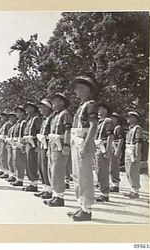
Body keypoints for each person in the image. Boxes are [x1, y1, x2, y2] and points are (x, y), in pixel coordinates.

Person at [68, 75, 98, 221]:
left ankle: (87, 209)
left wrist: (86, 145)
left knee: (85, 176)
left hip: (83, 142)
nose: (77, 91)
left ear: (88, 90)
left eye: (81, 88)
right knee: (77, 175)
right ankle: (81, 204)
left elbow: (93, 126)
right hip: (76, 141)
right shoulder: (81, 106)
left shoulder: (91, 104)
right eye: (76, 88)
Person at [44, 93, 72, 207]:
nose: (53, 104)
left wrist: (66, 145)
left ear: (62, 102)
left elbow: (67, 130)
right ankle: (55, 195)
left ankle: (60, 196)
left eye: (55, 101)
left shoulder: (65, 114)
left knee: (58, 171)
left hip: (60, 144)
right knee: (52, 170)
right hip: (53, 144)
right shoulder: (55, 115)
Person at [94, 103, 114, 202]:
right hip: (97, 146)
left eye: (100, 109)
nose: (98, 111)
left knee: (103, 171)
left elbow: (110, 136)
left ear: (105, 110)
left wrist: (108, 150)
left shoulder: (108, 121)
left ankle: (104, 194)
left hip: (103, 147)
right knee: (98, 170)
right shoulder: (99, 122)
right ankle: (102, 191)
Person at [35, 98, 53, 199]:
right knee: (41, 167)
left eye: (42, 107)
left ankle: (49, 189)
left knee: (46, 167)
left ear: (47, 107)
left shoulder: (51, 118)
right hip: (42, 144)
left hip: (47, 145)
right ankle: (45, 188)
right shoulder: (45, 118)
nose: (40, 109)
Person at [22, 102, 41, 192]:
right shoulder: (29, 119)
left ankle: (34, 184)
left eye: (28, 108)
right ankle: (31, 182)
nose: (27, 110)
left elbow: (38, 131)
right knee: (28, 163)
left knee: (32, 163)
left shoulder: (36, 119)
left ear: (33, 109)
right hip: (28, 143)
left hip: (33, 143)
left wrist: (37, 144)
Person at [124, 111, 142, 199]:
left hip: (133, 150)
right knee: (128, 171)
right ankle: (132, 189)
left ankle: (135, 191)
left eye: (130, 117)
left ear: (135, 118)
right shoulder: (130, 128)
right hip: (128, 150)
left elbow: (138, 142)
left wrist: (137, 154)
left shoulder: (137, 128)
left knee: (133, 171)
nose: (128, 119)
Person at [11, 106, 27, 187]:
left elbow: (23, 134)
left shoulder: (23, 122)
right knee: (16, 161)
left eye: (18, 112)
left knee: (19, 162)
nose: (16, 114)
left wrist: (22, 144)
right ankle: (18, 177)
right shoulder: (18, 122)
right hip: (15, 143)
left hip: (20, 143)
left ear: (22, 113)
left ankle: (20, 179)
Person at [109, 112, 125, 192]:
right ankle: (112, 183)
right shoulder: (112, 127)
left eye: (114, 118)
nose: (112, 119)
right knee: (110, 166)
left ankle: (116, 185)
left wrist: (118, 150)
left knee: (114, 167)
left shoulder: (118, 128)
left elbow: (121, 139)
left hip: (115, 148)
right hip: (111, 148)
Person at [0, 112, 11, 179]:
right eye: (1, 116)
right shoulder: (3, 124)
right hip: (1, 141)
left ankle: (7, 172)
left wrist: (3, 137)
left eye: (3, 116)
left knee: (5, 157)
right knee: (2, 156)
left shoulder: (7, 124)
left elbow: (8, 133)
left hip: (5, 142)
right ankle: (4, 170)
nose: (2, 118)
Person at [6, 112, 18, 183]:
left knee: (15, 161)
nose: (10, 118)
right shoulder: (12, 126)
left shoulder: (17, 125)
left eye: (12, 117)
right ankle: (12, 174)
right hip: (10, 144)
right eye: (9, 117)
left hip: (14, 144)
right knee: (10, 160)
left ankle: (15, 176)